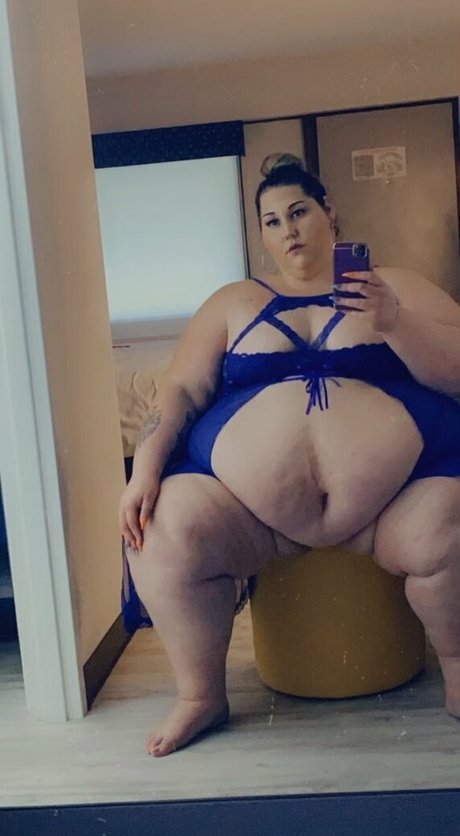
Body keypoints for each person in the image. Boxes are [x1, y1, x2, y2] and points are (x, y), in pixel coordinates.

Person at [119, 152, 460, 758]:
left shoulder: (395, 284)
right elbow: (180, 389)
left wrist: (394, 321)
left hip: (397, 504)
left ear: (330, 213)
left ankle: (458, 670)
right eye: (272, 221)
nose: (288, 230)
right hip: (251, 517)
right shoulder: (232, 300)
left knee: (452, 519)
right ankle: (200, 696)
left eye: (299, 212)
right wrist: (143, 468)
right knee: (161, 528)